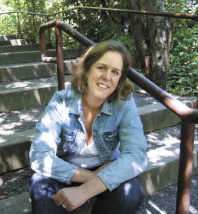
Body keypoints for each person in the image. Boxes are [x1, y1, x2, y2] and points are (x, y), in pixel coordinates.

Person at [29, 40, 148, 214]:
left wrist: (85, 190)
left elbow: (136, 155)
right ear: (86, 70)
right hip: (65, 169)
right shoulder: (62, 101)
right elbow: (40, 155)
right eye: (101, 67)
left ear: (120, 79)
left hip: (105, 167)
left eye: (115, 72)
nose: (107, 77)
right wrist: (91, 177)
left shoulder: (124, 103)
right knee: (40, 187)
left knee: (131, 193)